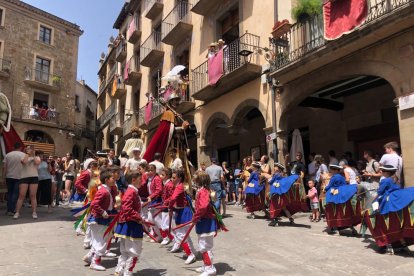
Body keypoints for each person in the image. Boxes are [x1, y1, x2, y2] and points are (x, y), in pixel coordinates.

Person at [83, 170, 116, 271]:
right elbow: (94, 204)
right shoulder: (103, 191)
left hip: (102, 219)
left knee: (99, 240)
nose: (115, 180)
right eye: (113, 178)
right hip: (99, 220)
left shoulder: (107, 190)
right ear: (106, 180)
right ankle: (95, 262)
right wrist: (102, 212)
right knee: (101, 241)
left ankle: (90, 257)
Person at [113, 171, 144, 276]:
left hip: (128, 223)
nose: (142, 182)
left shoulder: (131, 191)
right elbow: (127, 208)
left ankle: (120, 270)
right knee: (134, 250)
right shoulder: (132, 191)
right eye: (140, 179)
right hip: (131, 225)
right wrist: (139, 217)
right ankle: (127, 272)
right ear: (133, 180)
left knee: (125, 250)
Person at [164, 170, 196, 265]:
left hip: (183, 212)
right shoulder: (178, 186)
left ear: (179, 178)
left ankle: (190, 254)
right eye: (172, 177)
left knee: (181, 235)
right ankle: (193, 251)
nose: (172, 179)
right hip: (180, 211)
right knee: (184, 234)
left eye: (174, 178)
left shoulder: (179, 186)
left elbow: (173, 198)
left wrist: (169, 206)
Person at [192, 172, 218, 276]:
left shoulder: (203, 191)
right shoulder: (204, 190)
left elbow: (202, 207)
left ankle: (209, 268)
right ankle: (206, 265)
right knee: (204, 245)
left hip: (205, 222)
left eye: (196, 179)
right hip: (204, 221)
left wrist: (196, 217)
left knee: (204, 246)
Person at [324, 164, 359, 235]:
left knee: (330, 206)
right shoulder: (342, 177)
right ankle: (349, 226)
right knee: (345, 211)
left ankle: (332, 225)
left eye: (332, 169)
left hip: (334, 192)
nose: (331, 171)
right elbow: (345, 184)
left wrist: (325, 188)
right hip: (343, 192)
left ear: (335, 170)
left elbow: (330, 186)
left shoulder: (333, 177)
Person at [14, 145, 41, 219]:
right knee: (21, 195)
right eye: (28, 148)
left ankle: (34, 212)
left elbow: (37, 162)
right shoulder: (23, 156)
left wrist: (34, 154)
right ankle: (17, 212)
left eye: (31, 148)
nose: (30, 149)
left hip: (34, 177)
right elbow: (24, 162)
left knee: (33, 195)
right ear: (26, 149)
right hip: (24, 177)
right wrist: (28, 154)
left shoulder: (37, 157)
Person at [4, 142, 25, 215]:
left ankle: (9, 209)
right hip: (19, 177)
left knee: (9, 193)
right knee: (15, 194)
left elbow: (5, 167)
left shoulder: (8, 155)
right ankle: (12, 210)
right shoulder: (23, 155)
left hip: (9, 176)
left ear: (13, 147)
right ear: (20, 148)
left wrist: (4, 176)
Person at [146, 164, 164, 242]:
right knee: (150, 219)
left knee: (157, 219)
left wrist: (151, 196)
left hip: (157, 201)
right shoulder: (150, 178)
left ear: (155, 170)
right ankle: (158, 235)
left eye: (152, 170)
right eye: (149, 170)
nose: (150, 172)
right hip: (152, 201)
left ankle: (164, 235)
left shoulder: (157, 178)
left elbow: (159, 190)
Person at [159, 168, 175, 246]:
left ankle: (175, 240)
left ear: (168, 176)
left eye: (163, 175)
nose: (161, 176)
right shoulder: (165, 183)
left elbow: (172, 196)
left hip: (168, 207)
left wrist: (166, 202)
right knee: (164, 225)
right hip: (164, 206)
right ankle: (174, 240)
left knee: (166, 226)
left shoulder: (169, 184)